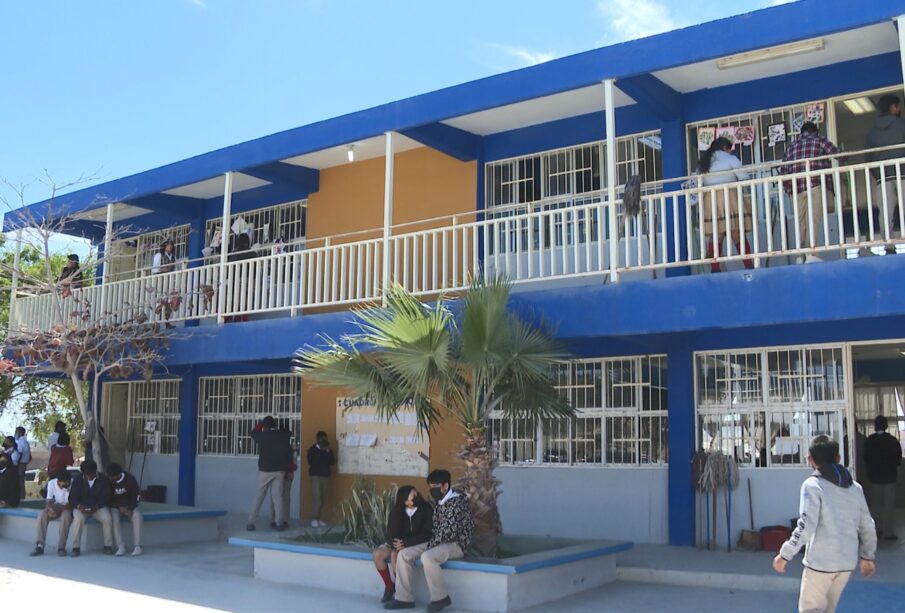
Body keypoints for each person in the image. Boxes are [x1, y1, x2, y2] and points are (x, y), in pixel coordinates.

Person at [773, 435, 876, 613]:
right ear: (838, 458)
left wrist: (785, 554)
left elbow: (806, 525)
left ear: (810, 460)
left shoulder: (812, 485)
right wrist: (867, 556)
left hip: (820, 564)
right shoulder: (855, 488)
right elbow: (867, 524)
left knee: (811, 610)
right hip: (846, 564)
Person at [386, 469, 473, 612]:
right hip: (436, 542)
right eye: (430, 486)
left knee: (428, 557)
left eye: (435, 486)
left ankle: (440, 598)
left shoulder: (457, 502)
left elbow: (449, 532)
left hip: (455, 544)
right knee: (403, 554)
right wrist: (414, 543)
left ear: (445, 486)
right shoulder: (439, 502)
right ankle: (404, 598)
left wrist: (429, 544)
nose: (432, 490)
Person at [780, 122, 841, 257]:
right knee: (813, 220)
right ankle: (811, 254)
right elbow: (838, 155)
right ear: (816, 131)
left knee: (800, 222)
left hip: (796, 189)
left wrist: (787, 188)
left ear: (801, 133)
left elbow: (783, 170)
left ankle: (799, 256)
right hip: (815, 184)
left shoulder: (791, 147)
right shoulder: (819, 140)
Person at [698, 137, 750, 271]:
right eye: (729, 149)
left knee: (715, 236)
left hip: (710, 200)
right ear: (725, 148)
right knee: (737, 234)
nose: (730, 152)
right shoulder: (730, 159)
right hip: (730, 197)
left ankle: (715, 269)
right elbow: (744, 178)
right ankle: (749, 266)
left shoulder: (704, 162)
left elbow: (697, 183)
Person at [373, 486, 433, 604]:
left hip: (415, 543)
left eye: (417, 494)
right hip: (397, 543)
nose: (417, 497)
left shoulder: (426, 509)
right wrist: (397, 545)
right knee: (377, 555)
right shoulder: (397, 511)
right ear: (405, 501)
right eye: (413, 496)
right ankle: (390, 588)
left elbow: (427, 534)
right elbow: (391, 534)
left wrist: (405, 544)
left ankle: (400, 592)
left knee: (396, 556)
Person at [866, 93, 905, 247]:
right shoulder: (902, 125)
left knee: (885, 213)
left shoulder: (872, 133)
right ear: (893, 107)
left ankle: (888, 245)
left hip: (882, 175)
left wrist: (877, 175)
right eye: (898, 106)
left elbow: (867, 158)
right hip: (903, 172)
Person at [247, 415, 293, 531]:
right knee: (278, 498)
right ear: (274, 425)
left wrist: (260, 424)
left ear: (264, 426)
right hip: (279, 471)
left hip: (265, 470)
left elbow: (252, 432)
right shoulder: (282, 436)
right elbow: (289, 453)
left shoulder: (262, 436)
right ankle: (279, 523)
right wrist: (289, 470)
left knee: (259, 496)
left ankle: (251, 522)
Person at [863, 415, 903, 540]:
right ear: (886, 426)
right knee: (888, 506)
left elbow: (865, 458)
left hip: (874, 478)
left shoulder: (869, 441)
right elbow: (898, 459)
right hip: (890, 477)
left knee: (875, 506)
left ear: (875, 426)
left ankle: (876, 530)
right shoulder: (892, 440)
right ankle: (888, 532)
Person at [68, 459, 114, 557]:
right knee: (78, 519)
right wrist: (79, 506)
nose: (88, 477)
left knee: (107, 518)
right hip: (81, 507)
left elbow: (106, 497)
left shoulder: (103, 479)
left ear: (95, 472)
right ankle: (76, 547)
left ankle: (108, 546)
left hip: (98, 507)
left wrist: (97, 506)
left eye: (91, 475)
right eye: (86, 475)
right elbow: (72, 497)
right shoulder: (78, 479)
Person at [30, 471, 73, 557]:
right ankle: (40, 545)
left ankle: (61, 547)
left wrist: (61, 509)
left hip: (68, 507)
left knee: (66, 516)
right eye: (64, 483)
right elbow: (48, 501)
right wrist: (51, 509)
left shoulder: (73, 483)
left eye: (68, 482)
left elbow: (73, 502)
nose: (67, 484)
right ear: (58, 481)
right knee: (42, 514)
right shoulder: (52, 483)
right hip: (56, 504)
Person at [105, 463, 143, 556]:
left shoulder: (130, 479)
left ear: (118, 475)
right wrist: (119, 507)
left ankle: (137, 546)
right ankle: (120, 546)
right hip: (116, 507)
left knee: (137, 517)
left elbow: (136, 496)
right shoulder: (108, 481)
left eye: (112, 477)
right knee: (115, 518)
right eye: (109, 476)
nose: (110, 478)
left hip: (129, 506)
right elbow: (107, 499)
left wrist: (129, 508)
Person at [306, 430, 335, 528]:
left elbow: (332, 462)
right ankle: (314, 518)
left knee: (322, 499)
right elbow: (312, 462)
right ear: (318, 440)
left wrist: (327, 452)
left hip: (325, 475)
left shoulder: (328, 449)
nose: (324, 441)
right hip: (316, 476)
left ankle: (318, 518)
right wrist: (321, 452)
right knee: (317, 498)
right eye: (322, 439)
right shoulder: (312, 449)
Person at [14, 426, 30, 500]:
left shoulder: (20, 442)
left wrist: (16, 463)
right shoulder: (26, 442)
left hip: (19, 464)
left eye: (16, 432)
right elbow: (30, 457)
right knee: (20, 482)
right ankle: (21, 497)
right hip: (23, 464)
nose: (15, 433)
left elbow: (19, 453)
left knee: (18, 482)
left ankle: (20, 498)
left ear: (20, 433)